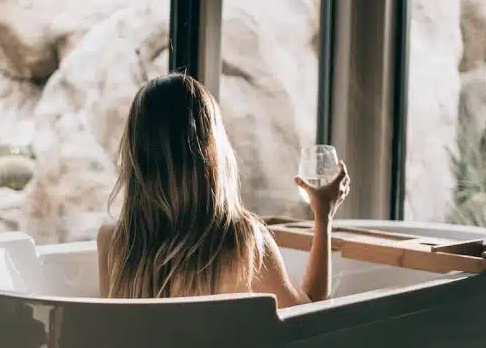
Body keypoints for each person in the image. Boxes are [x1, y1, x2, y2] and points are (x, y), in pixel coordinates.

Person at [97, 73, 350, 309]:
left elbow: (115, 334)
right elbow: (309, 318)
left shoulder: (113, 242)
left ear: (135, 155)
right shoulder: (244, 242)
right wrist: (323, 216)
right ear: (211, 151)